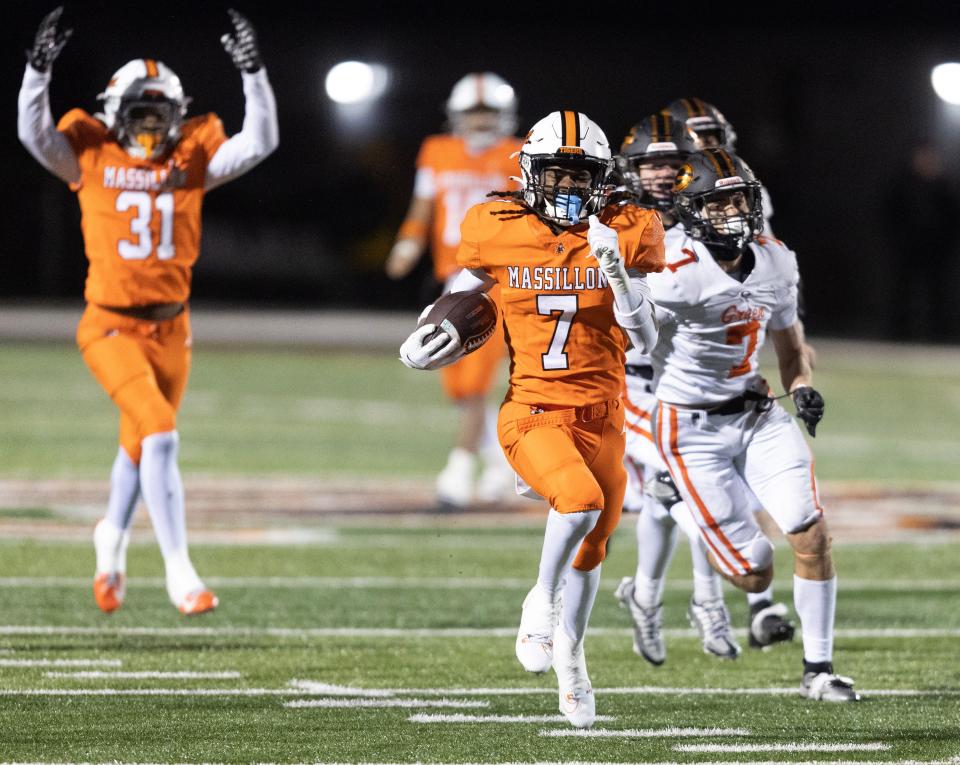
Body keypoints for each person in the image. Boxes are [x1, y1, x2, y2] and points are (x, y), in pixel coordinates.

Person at [399, 110, 665, 727]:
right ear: (530, 175)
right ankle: (537, 602)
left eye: (581, 177)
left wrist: (620, 278)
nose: (569, 188)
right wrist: (426, 331)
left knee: (593, 549)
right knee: (578, 502)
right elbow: (464, 290)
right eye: (557, 175)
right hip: (534, 409)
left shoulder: (627, 230)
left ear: (602, 180)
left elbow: (649, 343)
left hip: (605, 415)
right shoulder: (498, 225)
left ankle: (572, 659)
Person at [17, 7, 279, 615]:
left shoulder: (190, 159)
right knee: (160, 434)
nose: (149, 128)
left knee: (138, 445)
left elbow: (260, 141)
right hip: (108, 322)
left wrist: (254, 73)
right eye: (139, 114)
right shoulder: (90, 155)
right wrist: (38, 71)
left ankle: (109, 537)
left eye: (160, 115)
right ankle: (180, 572)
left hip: (172, 327)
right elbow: (35, 135)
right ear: (114, 115)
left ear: (177, 117)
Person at [646, 147, 859, 701]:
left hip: (758, 412)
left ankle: (818, 671)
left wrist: (804, 386)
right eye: (719, 204)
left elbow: (792, 348)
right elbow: (629, 340)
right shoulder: (672, 273)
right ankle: (676, 503)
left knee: (811, 534)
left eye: (739, 199)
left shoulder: (776, 259)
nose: (734, 212)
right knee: (754, 574)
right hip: (690, 432)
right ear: (692, 211)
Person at [612, 114, 795, 663]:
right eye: (653, 163)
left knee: (680, 492)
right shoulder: (616, 215)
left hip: (696, 383)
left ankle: (656, 596)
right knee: (687, 489)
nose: (665, 174)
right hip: (638, 383)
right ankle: (723, 600)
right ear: (633, 169)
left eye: (674, 162)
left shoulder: (715, 209)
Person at [386, 73, 522, 508]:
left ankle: (458, 471)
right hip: (452, 277)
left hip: (496, 278)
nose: (480, 122)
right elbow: (422, 206)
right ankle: (500, 463)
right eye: (473, 113)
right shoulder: (437, 150)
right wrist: (407, 244)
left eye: (488, 113)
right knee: (458, 386)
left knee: (477, 382)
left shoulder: (519, 155)